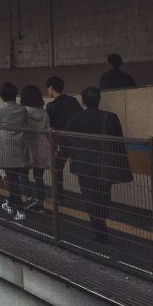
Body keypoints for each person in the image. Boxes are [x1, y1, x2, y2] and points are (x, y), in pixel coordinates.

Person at [63, 87, 133, 243]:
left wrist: (70, 155)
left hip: (83, 164)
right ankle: (102, 219)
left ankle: (98, 228)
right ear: (99, 100)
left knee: (89, 195)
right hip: (105, 164)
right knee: (104, 193)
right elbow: (118, 142)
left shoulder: (75, 118)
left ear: (83, 101)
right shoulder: (110, 117)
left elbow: (66, 139)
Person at [0, 82, 28, 221]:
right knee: (16, 177)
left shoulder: (0, 110)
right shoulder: (23, 109)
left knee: (12, 180)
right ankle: (10, 203)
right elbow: (26, 124)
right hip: (19, 145)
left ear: (2, 96)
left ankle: (20, 210)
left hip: (6, 147)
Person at [45, 76, 82, 203]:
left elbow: (50, 127)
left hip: (61, 142)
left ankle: (58, 197)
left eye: (48, 88)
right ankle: (89, 197)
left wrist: (53, 146)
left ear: (51, 88)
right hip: (77, 140)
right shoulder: (73, 100)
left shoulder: (51, 106)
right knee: (81, 170)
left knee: (56, 168)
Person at [20, 85, 50, 211]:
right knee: (39, 177)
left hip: (27, 145)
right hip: (42, 145)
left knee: (23, 174)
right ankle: (40, 204)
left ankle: (29, 198)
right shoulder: (44, 113)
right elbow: (47, 130)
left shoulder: (23, 111)